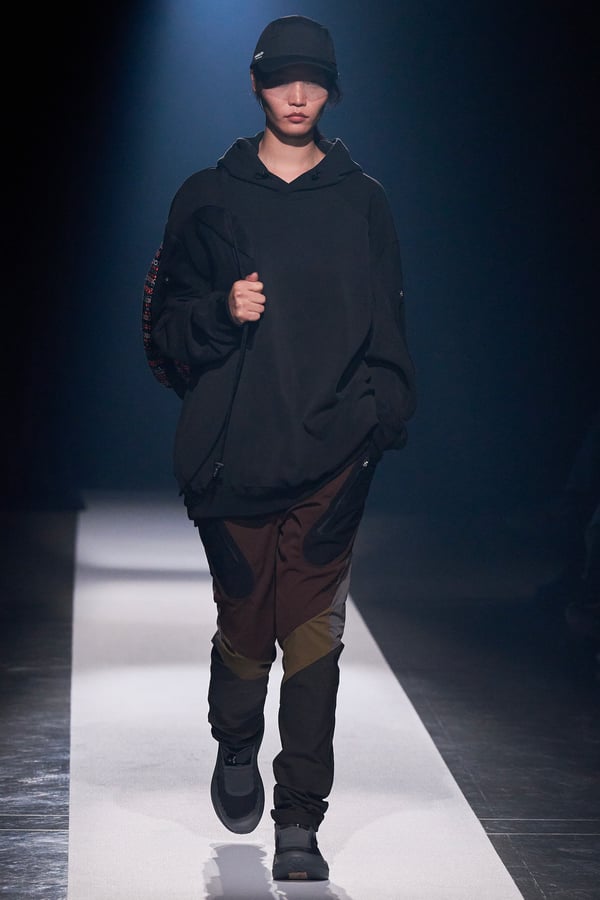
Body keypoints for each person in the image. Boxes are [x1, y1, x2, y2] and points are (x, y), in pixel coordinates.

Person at [151, 14, 416, 882]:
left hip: (333, 454)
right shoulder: (207, 196)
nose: (297, 95)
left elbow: (389, 329)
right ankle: (236, 739)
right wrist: (221, 311)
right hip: (232, 453)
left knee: (312, 636)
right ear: (256, 84)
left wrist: (379, 422)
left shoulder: (363, 201)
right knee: (245, 624)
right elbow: (162, 330)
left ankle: (300, 819)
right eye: (280, 78)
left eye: (313, 79)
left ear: (332, 89)